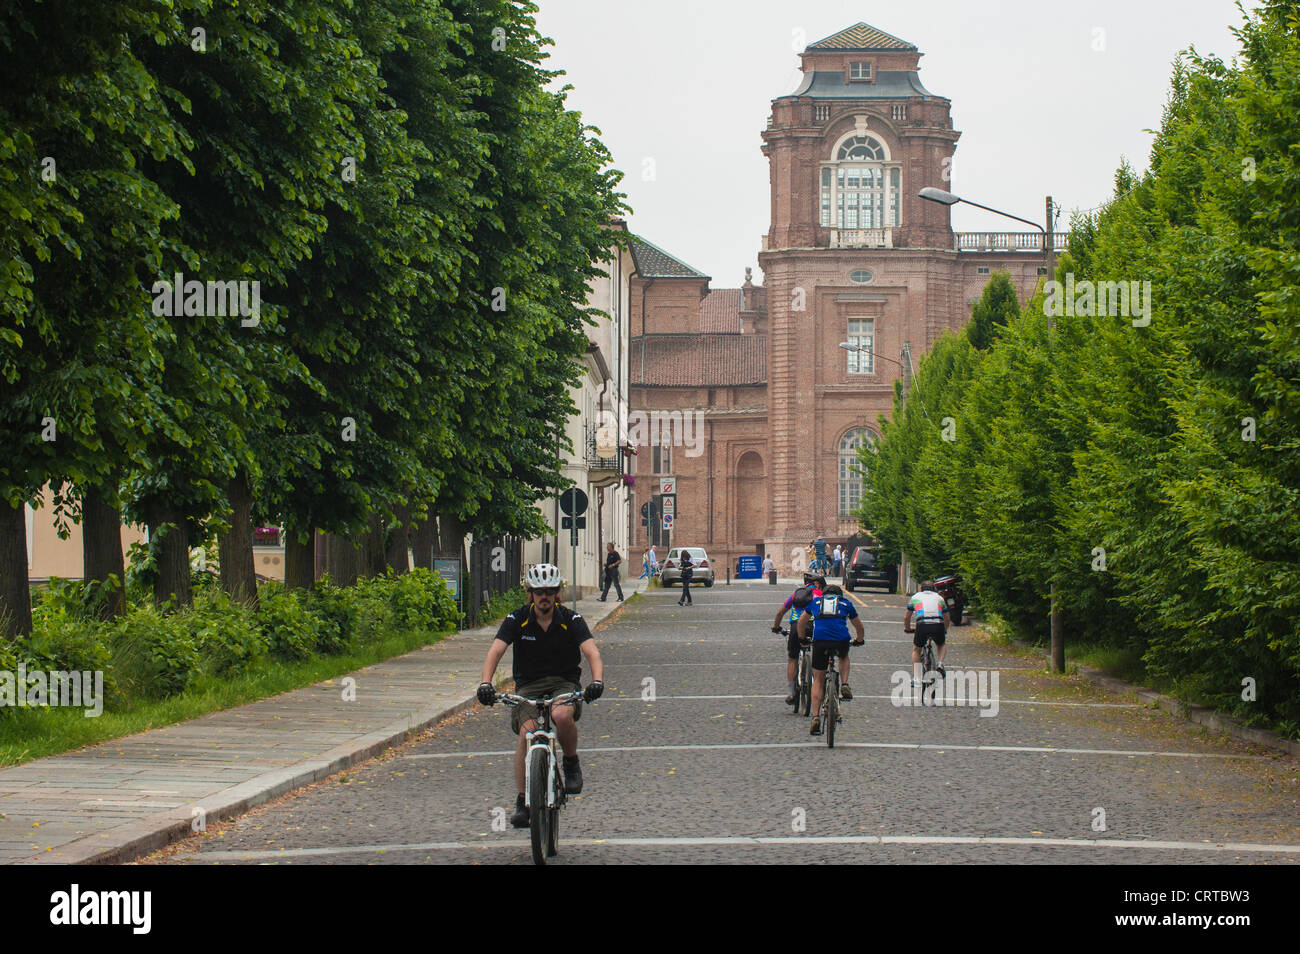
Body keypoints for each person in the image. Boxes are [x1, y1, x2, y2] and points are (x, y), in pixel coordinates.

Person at [477, 563, 605, 828]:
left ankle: (570, 762)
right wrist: (485, 684)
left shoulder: (572, 620)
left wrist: (597, 681)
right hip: (528, 687)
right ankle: (523, 800)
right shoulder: (517, 619)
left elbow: (592, 652)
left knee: (560, 713)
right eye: (538, 591)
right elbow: (495, 651)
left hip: (563, 683)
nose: (543, 596)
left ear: (557, 593)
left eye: (549, 591)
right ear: (530, 593)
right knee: (528, 732)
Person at [798, 583, 865, 734]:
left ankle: (815, 717)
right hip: (841, 639)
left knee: (819, 680)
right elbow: (859, 626)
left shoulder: (815, 602)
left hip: (820, 641)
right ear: (839, 595)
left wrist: (802, 638)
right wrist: (859, 639)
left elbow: (802, 621)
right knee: (843, 656)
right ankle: (845, 684)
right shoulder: (845, 603)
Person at [771, 575, 825, 706]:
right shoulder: (819, 594)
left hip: (795, 627)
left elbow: (780, 613)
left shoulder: (796, 594)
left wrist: (776, 627)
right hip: (813, 626)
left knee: (793, 658)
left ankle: (791, 692)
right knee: (819, 655)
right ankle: (819, 686)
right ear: (817, 584)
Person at [904, 579, 950, 686]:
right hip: (937, 623)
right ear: (934, 589)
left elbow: (907, 617)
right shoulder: (939, 598)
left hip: (922, 624)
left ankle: (917, 678)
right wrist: (945, 629)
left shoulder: (915, 597)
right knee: (941, 644)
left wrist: (907, 628)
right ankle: (940, 664)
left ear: (921, 589)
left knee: (916, 649)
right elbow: (947, 617)